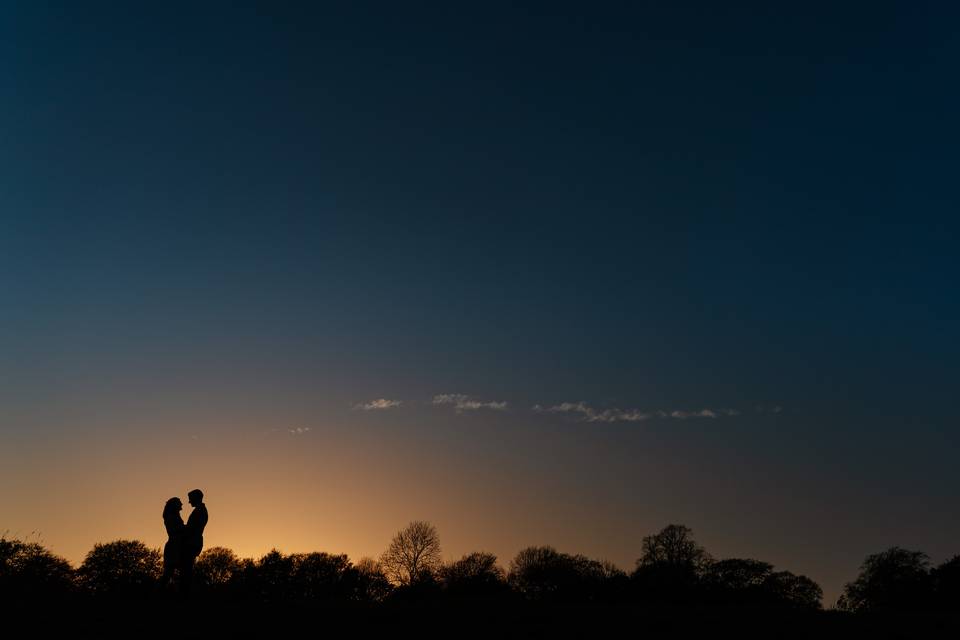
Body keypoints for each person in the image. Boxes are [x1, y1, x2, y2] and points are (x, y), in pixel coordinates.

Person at [180, 488, 208, 595]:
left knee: (186, 571)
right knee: (186, 570)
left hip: (192, 543)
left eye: (190, 499)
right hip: (193, 542)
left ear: (196, 498)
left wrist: (182, 528)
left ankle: (185, 595)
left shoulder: (200, 511)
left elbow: (193, 528)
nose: (189, 501)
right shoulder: (199, 510)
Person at [161, 497, 185, 589]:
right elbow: (174, 530)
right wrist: (186, 528)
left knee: (173, 573)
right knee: (168, 574)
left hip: (176, 545)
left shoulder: (174, 516)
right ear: (174, 505)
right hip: (173, 547)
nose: (181, 504)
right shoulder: (171, 517)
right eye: (179, 502)